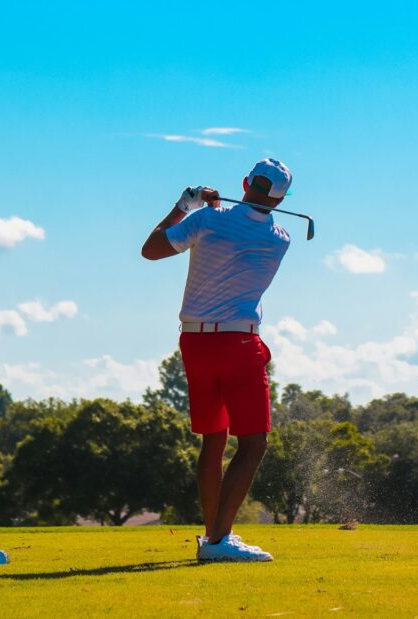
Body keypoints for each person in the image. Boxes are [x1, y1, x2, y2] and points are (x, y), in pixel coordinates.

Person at [141, 158, 293, 562]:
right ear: (281, 199)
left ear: (244, 182)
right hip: (239, 345)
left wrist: (185, 204)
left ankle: (215, 537)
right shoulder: (280, 238)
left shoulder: (207, 221)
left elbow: (151, 249)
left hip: (194, 343)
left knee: (214, 440)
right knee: (254, 442)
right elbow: (255, 222)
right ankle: (217, 540)